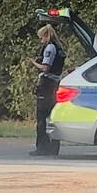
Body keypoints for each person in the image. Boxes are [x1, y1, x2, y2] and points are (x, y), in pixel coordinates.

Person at [28, 25, 66, 155]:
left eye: (41, 38)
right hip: (56, 83)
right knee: (53, 117)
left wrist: (33, 63)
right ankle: (54, 148)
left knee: (41, 117)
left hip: (47, 84)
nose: (40, 41)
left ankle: (42, 148)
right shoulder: (59, 47)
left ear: (46, 35)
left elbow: (45, 68)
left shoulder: (50, 48)